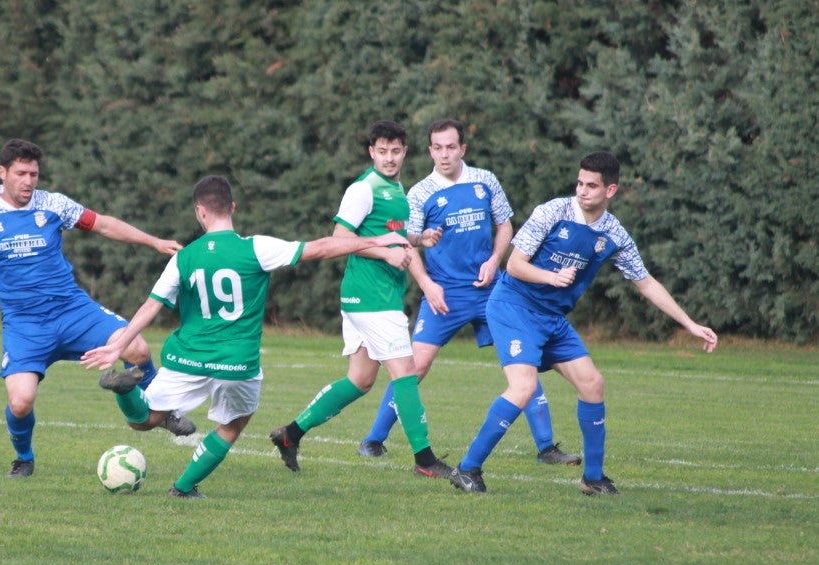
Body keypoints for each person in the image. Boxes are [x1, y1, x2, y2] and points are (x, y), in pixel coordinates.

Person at [80, 174, 410, 499]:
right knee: (234, 423)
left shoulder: (185, 257)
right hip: (238, 364)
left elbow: (151, 306)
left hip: (187, 357)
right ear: (232, 208)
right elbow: (322, 248)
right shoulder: (256, 247)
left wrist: (119, 347)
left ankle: (126, 392)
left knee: (144, 420)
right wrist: (376, 241)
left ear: (200, 212)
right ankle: (182, 488)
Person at [0, 138, 187, 479]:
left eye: (34, 173)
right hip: (25, 325)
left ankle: (161, 412)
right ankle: (24, 458)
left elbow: (103, 223)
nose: (29, 181)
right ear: (2, 173)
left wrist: (152, 241)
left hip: (72, 311)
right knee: (20, 401)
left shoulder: (52, 204)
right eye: (21, 173)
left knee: (136, 347)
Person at [448, 150, 718, 495]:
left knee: (592, 383)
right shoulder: (552, 212)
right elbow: (515, 265)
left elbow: (645, 282)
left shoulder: (613, 233)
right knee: (523, 387)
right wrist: (552, 277)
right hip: (513, 307)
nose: (582, 190)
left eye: (592, 185)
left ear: (611, 191)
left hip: (551, 318)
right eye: (579, 182)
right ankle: (467, 468)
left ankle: (592, 478)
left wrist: (689, 324)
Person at [358, 119, 581, 466]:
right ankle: (373, 440)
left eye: (451, 147)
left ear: (462, 148)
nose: (444, 154)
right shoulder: (418, 193)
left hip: (493, 293)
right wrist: (428, 286)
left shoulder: (485, 180)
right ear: (430, 149)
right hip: (444, 296)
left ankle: (547, 448)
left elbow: (505, 225)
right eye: (437, 147)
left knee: (523, 363)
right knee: (414, 367)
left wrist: (495, 260)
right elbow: (409, 244)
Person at [268, 120, 453, 479]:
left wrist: (418, 239)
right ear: (372, 152)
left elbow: (386, 235)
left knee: (360, 380)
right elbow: (340, 238)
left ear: (405, 152)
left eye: (395, 151)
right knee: (406, 373)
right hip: (373, 298)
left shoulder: (395, 189)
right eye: (382, 151)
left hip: (366, 298)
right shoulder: (364, 189)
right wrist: (385, 255)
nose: (389, 158)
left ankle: (290, 434)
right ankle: (425, 460)